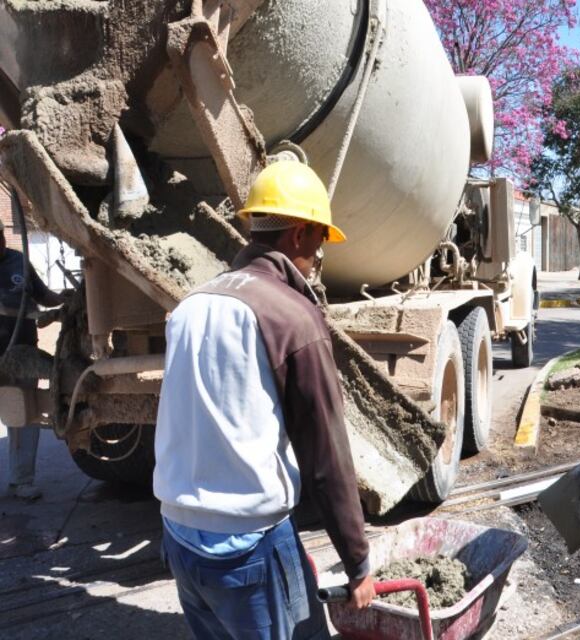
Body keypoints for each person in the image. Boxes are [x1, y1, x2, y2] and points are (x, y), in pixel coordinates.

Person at [154, 161, 375, 639]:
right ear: (299, 234)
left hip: (179, 538)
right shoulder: (292, 317)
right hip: (248, 549)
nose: (318, 257)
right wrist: (357, 563)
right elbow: (325, 455)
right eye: (319, 242)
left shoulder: (191, 305)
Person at [1, 217, 66, 501]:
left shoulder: (19, 261)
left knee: (24, 415)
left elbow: (43, 295)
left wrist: (66, 299)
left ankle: (21, 481)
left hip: (22, 352)